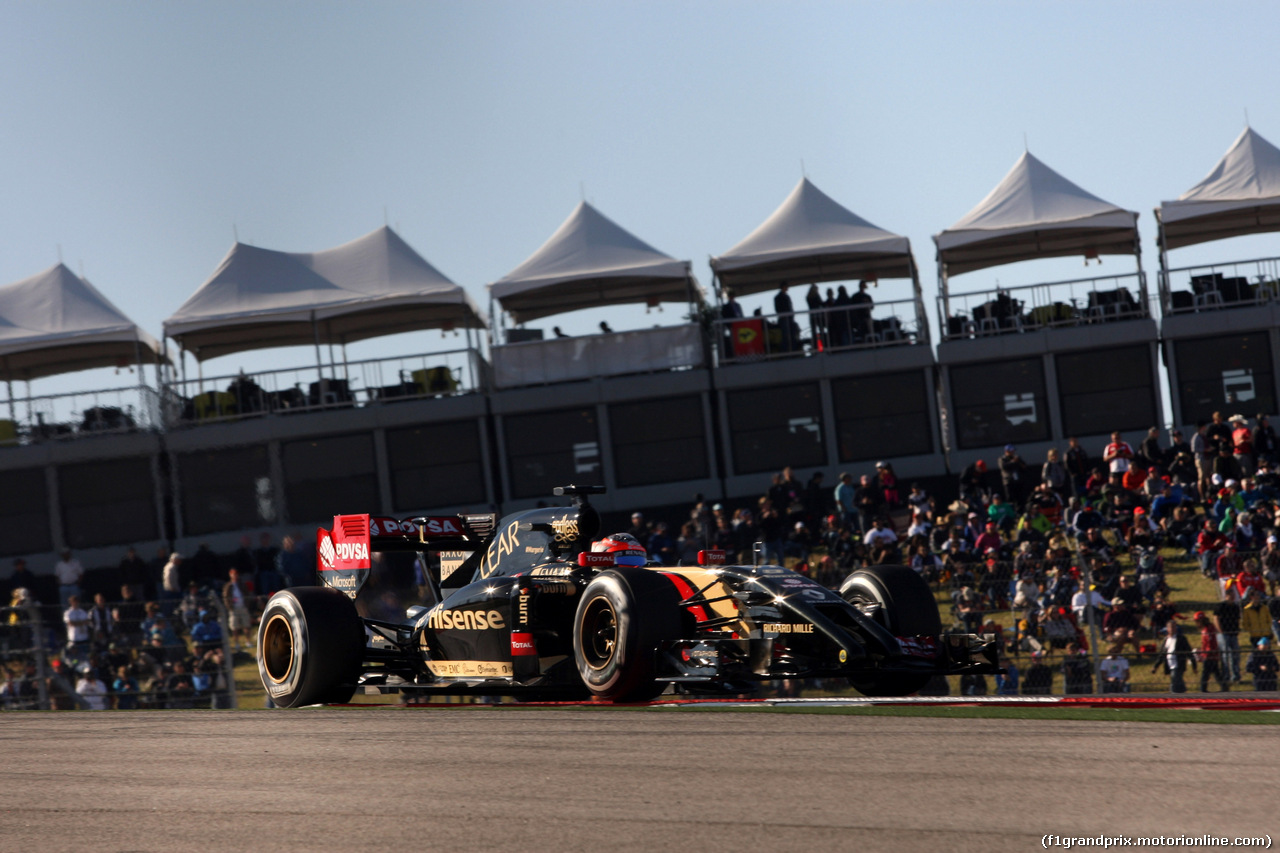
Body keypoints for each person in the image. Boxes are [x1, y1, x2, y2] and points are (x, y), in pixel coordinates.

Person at [1153, 621, 1195, 693]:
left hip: (1178, 664)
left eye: (1174, 627)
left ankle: (1174, 695)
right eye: (1171, 627)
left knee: (1174, 680)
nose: (1172, 629)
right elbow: (1162, 654)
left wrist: (1194, 665)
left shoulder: (1181, 639)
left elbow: (1188, 651)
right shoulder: (1166, 639)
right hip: (1169, 665)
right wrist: (1156, 666)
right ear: (1167, 629)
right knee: (1178, 681)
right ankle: (1183, 694)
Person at [222, 567, 254, 651]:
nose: (235, 576)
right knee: (234, 627)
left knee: (246, 625)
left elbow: (247, 594)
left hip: (243, 607)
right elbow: (225, 597)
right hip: (234, 609)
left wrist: (247, 604)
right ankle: (237, 643)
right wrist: (229, 607)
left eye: (236, 574)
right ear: (230, 575)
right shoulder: (228, 586)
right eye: (233, 574)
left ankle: (248, 641)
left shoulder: (242, 584)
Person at [774, 283, 796, 353]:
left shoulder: (786, 296)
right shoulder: (778, 297)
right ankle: (786, 351)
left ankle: (792, 350)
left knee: (792, 334)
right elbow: (778, 308)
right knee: (785, 336)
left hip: (789, 318)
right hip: (784, 318)